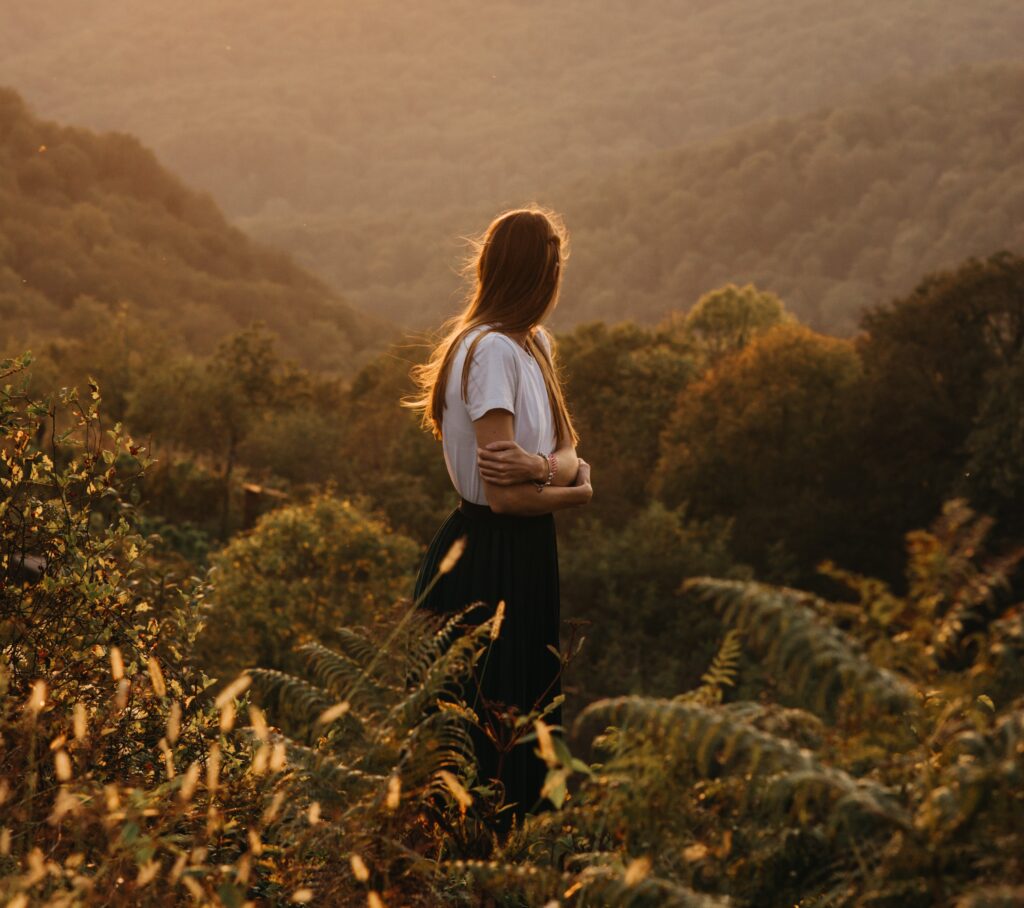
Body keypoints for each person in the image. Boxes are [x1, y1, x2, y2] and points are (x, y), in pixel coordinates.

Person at [401, 204, 593, 832]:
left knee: (526, 729)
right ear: (543, 272)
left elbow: (565, 449)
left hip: (529, 553)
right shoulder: (489, 354)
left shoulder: (533, 344)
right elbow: (510, 494)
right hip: (491, 557)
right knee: (486, 745)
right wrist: (573, 490)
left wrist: (544, 469)